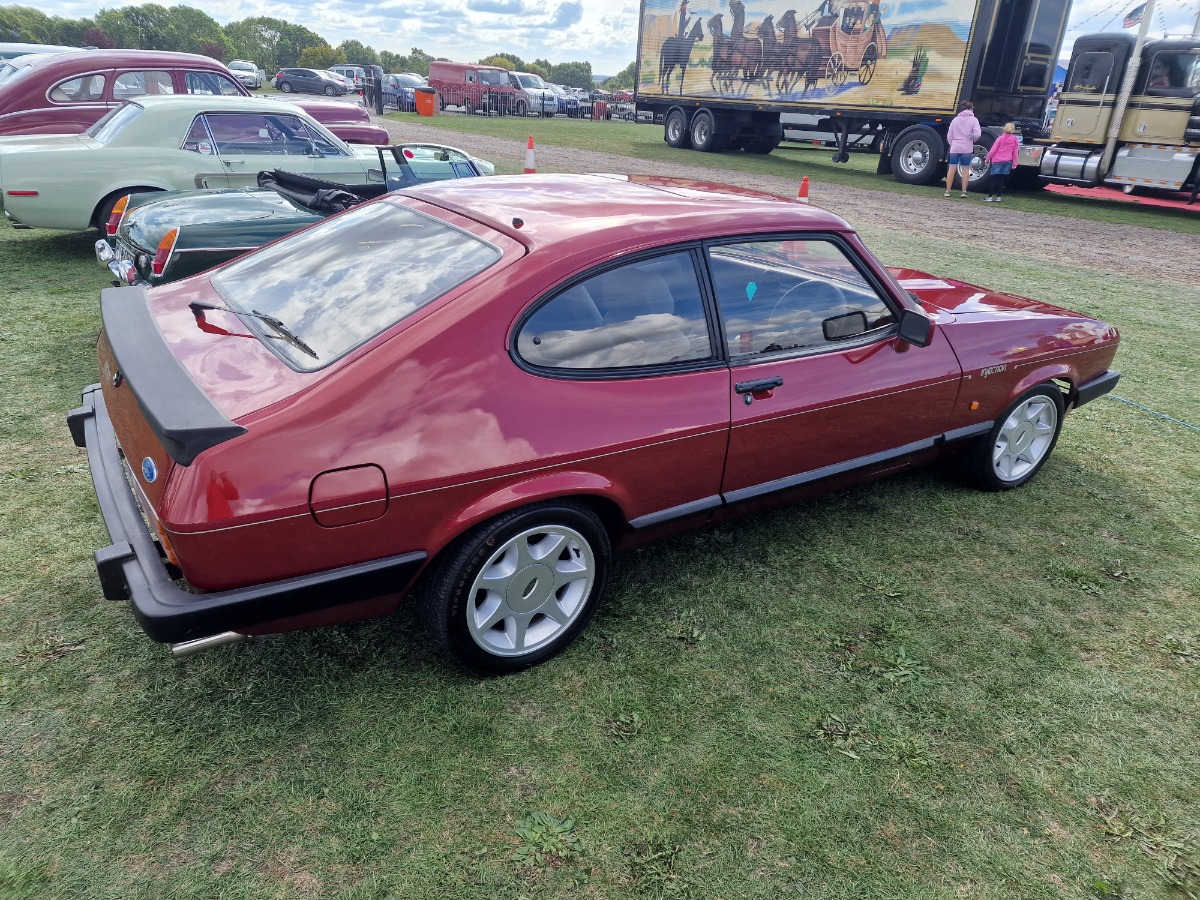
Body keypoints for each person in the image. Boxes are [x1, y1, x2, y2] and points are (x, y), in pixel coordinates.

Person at [944, 101, 981, 197]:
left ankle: (947, 191)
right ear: (970, 109)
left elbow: (949, 135)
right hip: (967, 147)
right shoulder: (974, 120)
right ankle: (963, 192)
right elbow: (977, 134)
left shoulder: (955, 120)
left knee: (952, 168)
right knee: (965, 169)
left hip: (955, 146)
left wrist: (953, 144)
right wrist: (971, 139)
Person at [984, 122, 1020, 202]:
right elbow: (1015, 152)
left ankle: (990, 196)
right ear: (1013, 130)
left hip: (997, 160)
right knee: (1001, 179)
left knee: (994, 178)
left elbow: (993, 150)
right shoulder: (1014, 140)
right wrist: (1015, 163)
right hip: (1007, 161)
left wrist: (987, 158)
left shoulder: (1000, 138)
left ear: (1004, 128)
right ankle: (999, 196)